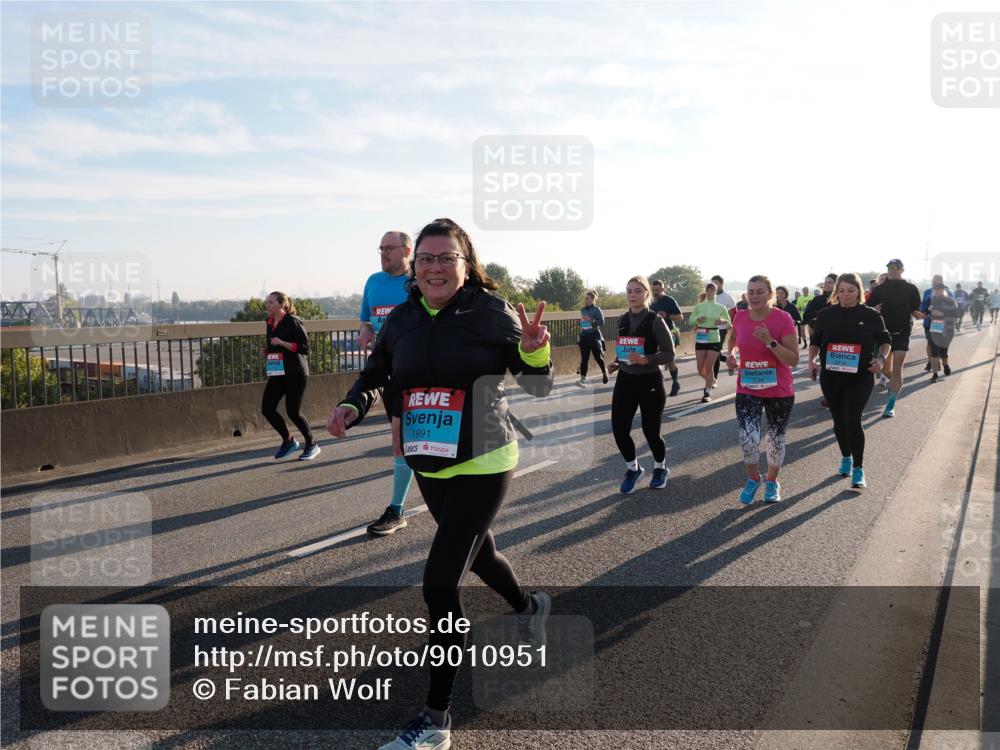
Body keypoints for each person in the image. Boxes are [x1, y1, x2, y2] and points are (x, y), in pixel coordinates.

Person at [326, 218, 553, 750]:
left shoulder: (492, 314)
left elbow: (537, 387)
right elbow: (376, 374)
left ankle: (435, 719)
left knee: (438, 583)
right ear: (415, 265)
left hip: (485, 458)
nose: (434, 266)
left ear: (465, 263)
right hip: (431, 463)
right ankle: (530, 608)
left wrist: (537, 348)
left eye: (444, 258)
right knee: (480, 555)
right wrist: (350, 405)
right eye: (426, 258)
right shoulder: (403, 319)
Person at [808, 273, 891, 489]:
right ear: (836, 292)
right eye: (841, 290)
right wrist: (812, 360)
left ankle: (858, 469)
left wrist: (881, 360)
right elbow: (816, 342)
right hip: (831, 376)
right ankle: (846, 457)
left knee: (852, 419)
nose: (845, 295)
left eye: (850, 290)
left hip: (860, 376)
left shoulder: (871, 315)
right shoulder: (826, 315)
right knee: (838, 420)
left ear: (859, 292)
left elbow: (885, 341)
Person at [359, 231, 416, 536]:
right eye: (380, 248)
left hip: (422, 371)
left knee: (407, 438)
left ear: (407, 250)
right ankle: (398, 509)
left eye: (389, 249)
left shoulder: (420, 282)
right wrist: (366, 329)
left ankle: (397, 508)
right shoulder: (373, 282)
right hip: (390, 371)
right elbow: (365, 319)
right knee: (399, 440)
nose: (383, 253)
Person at [725, 276, 799, 504]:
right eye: (750, 292)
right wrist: (732, 353)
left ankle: (772, 482)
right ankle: (753, 478)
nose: (754, 296)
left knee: (775, 439)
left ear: (770, 294)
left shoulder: (782, 318)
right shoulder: (740, 316)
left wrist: (770, 341)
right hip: (748, 387)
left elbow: (794, 359)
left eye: (759, 291)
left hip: (779, 389)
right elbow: (734, 337)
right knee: (748, 439)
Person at [609, 276, 676, 492]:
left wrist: (648, 359)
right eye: (629, 291)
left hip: (650, 381)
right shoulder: (622, 320)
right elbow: (625, 350)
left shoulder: (655, 320)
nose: (632, 295)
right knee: (619, 429)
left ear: (646, 293)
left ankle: (660, 467)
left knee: (651, 432)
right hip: (625, 380)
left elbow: (669, 353)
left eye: (637, 291)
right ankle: (633, 469)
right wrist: (617, 363)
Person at [261, 292, 320, 460]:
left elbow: (304, 348)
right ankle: (288, 440)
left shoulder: (293, 321)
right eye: (267, 302)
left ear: (282, 305)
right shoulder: (269, 322)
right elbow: (272, 344)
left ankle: (312, 444)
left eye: (271, 302)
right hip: (278, 371)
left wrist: (282, 343)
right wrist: (267, 350)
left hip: (296, 372)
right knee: (267, 408)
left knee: (293, 412)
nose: (267, 305)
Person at [866, 259, 922, 418]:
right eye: (890, 267)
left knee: (898, 367)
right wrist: (873, 309)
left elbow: (916, 310)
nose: (892, 270)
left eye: (896, 267)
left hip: (902, 332)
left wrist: (921, 314)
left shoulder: (911, 289)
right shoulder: (879, 289)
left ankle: (891, 404)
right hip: (883, 334)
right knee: (885, 369)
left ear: (902, 270)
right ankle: (892, 385)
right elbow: (867, 308)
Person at [689, 282, 731, 403]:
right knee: (700, 368)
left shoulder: (721, 307)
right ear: (706, 292)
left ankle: (707, 393)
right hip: (701, 337)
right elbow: (691, 321)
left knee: (708, 366)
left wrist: (722, 321)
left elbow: (729, 323)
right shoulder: (699, 307)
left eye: (712, 290)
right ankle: (712, 380)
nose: (710, 292)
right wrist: (697, 319)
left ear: (715, 292)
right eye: (708, 290)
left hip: (714, 337)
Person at [803, 274, 837, 407]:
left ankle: (838, 395)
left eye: (831, 282)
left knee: (838, 368)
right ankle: (829, 396)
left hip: (840, 339)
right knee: (826, 368)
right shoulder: (817, 300)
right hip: (821, 337)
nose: (828, 284)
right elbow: (806, 317)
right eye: (826, 282)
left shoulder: (842, 298)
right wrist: (818, 317)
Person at [650, 278, 683, 396]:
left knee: (669, 360)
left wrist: (667, 315)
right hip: (655, 334)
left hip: (670, 332)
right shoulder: (651, 303)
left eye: (658, 290)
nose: (655, 292)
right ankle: (657, 386)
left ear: (663, 289)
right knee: (653, 360)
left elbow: (680, 317)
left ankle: (675, 383)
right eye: (653, 290)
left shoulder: (669, 300)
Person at [921, 282, 958, 381]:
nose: (937, 291)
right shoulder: (930, 299)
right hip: (934, 328)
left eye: (939, 289)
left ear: (943, 290)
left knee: (943, 353)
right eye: (935, 289)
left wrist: (942, 314)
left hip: (947, 329)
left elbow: (955, 314)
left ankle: (945, 365)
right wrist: (927, 313)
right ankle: (935, 374)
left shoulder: (949, 300)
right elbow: (924, 312)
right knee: (934, 351)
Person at [577, 289, 608, 387]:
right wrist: (580, 324)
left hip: (594, 336)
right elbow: (584, 324)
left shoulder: (597, 309)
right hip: (584, 337)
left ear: (593, 300)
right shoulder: (583, 310)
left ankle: (604, 373)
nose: (585, 300)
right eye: (585, 299)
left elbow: (602, 322)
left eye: (587, 299)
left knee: (598, 357)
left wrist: (592, 322)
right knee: (584, 358)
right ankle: (582, 380)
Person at [921, 274, 950, 372]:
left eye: (939, 280)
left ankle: (942, 363)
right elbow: (923, 308)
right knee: (930, 344)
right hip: (929, 324)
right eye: (935, 280)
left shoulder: (947, 292)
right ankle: (932, 362)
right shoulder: (927, 292)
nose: (936, 282)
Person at [711, 275, 737, 381]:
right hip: (709, 328)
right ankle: (730, 361)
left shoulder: (727, 297)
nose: (714, 285)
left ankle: (714, 379)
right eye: (712, 283)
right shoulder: (709, 296)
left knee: (715, 351)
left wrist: (728, 322)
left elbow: (733, 312)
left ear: (721, 284)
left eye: (716, 283)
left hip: (722, 328)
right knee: (715, 352)